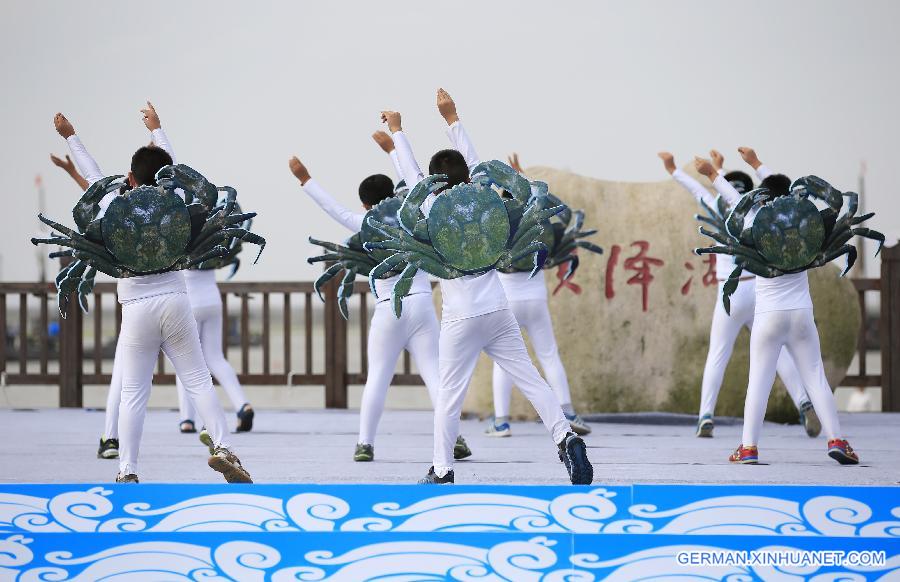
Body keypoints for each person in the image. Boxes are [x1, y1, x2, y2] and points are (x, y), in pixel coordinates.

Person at [383, 88, 593, 485]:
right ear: (468, 178)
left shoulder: (430, 207)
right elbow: (481, 164)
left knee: (448, 396)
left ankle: (442, 470)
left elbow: (412, 181)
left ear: (434, 181)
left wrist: (399, 131)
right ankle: (565, 437)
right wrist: (452, 118)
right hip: (498, 308)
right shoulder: (485, 197)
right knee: (531, 379)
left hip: (460, 316)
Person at [54, 105, 251, 483]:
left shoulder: (116, 206)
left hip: (136, 305)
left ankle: (127, 468)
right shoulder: (175, 204)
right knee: (197, 379)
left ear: (129, 178)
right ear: (166, 180)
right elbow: (178, 175)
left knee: (133, 392)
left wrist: (71, 135)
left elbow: (94, 177)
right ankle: (225, 448)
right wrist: (159, 129)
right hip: (176, 299)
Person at [288, 134, 472, 462]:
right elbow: (415, 181)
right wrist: (392, 149)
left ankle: (365, 444)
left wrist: (305, 180)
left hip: (389, 309)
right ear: (394, 194)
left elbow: (333, 208)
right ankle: (455, 438)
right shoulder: (414, 214)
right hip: (420, 302)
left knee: (377, 378)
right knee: (434, 375)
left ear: (364, 204)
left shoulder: (363, 222)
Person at [695, 158, 871, 466]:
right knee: (815, 376)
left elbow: (735, 205)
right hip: (801, 312)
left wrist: (712, 173)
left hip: (768, 314)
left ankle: (748, 448)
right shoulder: (807, 222)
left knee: (759, 382)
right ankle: (838, 440)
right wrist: (759, 165)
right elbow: (831, 202)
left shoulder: (758, 222)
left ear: (763, 196)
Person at [658, 149, 820, 439]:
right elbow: (775, 187)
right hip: (760, 288)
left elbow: (700, 189)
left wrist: (674, 170)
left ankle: (705, 415)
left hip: (730, 292)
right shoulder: (761, 212)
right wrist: (755, 163)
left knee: (718, 354)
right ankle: (803, 401)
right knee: (779, 350)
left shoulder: (720, 205)